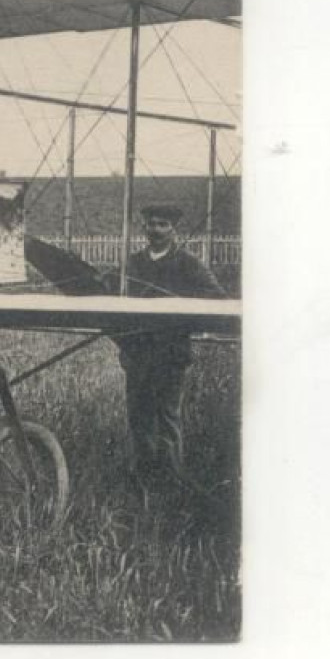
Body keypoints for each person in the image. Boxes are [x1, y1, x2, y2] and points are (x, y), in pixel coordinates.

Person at [115, 203, 226, 488]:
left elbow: (216, 295)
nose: (156, 230)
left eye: (163, 224)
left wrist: (175, 299)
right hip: (138, 352)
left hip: (171, 354)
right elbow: (112, 289)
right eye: (151, 224)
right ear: (144, 228)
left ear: (174, 230)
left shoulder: (187, 263)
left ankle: (173, 479)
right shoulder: (134, 262)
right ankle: (143, 477)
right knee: (139, 416)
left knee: (167, 416)